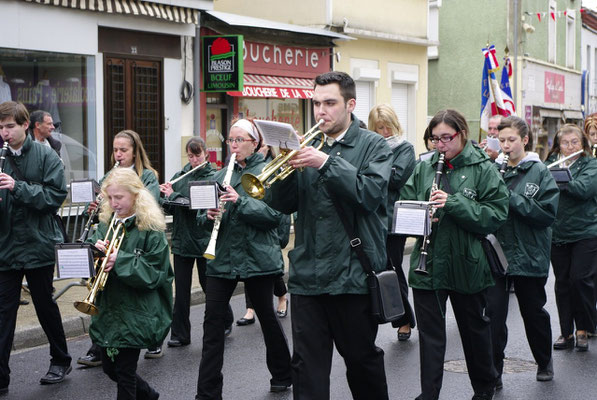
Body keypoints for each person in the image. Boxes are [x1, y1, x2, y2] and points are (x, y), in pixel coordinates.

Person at [265, 71, 392, 399]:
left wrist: (326, 163)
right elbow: (281, 205)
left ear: (350, 104)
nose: (321, 111)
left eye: (330, 103)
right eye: (316, 103)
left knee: (361, 362)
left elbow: (370, 195)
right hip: (308, 276)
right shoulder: (308, 145)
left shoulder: (374, 146)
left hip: (352, 276)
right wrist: (281, 166)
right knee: (306, 367)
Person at [400, 109, 509, 400]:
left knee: (475, 332)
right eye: (434, 139)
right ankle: (429, 394)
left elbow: (496, 215)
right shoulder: (424, 167)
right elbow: (407, 204)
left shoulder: (483, 168)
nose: (440, 145)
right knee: (431, 336)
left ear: (461, 134)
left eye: (446, 138)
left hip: (468, 262)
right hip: (429, 262)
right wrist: (422, 216)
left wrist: (454, 204)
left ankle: (485, 386)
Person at [195, 118, 291, 399]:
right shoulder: (219, 174)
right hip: (222, 256)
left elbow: (275, 216)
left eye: (239, 140)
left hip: (257, 256)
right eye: (230, 140)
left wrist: (241, 202)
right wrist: (208, 215)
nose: (234, 146)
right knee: (212, 324)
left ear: (255, 143)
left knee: (266, 317)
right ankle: (207, 392)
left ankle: (283, 374)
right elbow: (201, 218)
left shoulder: (268, 172)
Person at [0, 101, 72, 394]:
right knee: (4, 312)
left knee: (44, 305)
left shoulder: (45, 155)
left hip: (38, 243)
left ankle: (60, 358)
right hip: (6, 247)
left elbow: (55, 197)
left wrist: (17, 187)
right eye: (1, 127)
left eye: (10, 126)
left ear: (25, 125)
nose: (4, 133)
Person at [486, 116, 559, 390]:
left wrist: (511, 198)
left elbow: (546, 215)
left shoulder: (540, 172)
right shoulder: (494, 170)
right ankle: (494, 373)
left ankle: (544, 361)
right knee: (493, 315)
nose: (505, 146)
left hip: (530, 254)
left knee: (533, 312)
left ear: (525, 140)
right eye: (502, 140)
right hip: (497, 252)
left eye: (511, 140)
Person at [86, 167, 173, 400]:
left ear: (136, 195)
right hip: (109, 309)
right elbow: (92, 266)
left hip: (137, 310)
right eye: (110, 197)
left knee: (125, 373)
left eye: (119, 197)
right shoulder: (105, 225)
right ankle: (149, 395)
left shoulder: (151, 229)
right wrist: (95, 255)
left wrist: (120, 260)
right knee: (109, 368)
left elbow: (156, 273)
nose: (114, 203)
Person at [78, 129, 161, 367]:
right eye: (115, 149)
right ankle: (99, 346)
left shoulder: (147, 177)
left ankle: (150, 336)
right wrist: (94, 206)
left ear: (135, 151)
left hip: (135, 238)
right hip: (111, 235)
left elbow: (150, 206)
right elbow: (98, 211)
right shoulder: (110, 174)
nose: (118, 154)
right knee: (104, 290)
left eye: (123, 150)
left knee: (136, 290)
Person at [160, 137, 234, 347]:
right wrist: (164, 196)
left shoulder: (213, 176)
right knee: (181, 291)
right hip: (182, 240)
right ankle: (180, 334)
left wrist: (174, 195)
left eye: (198, 155)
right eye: (191, 156)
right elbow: (168, 206)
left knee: (209, 286)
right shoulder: (180, 176)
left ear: (206, 155)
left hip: (202, 240)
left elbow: (200, 204)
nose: (194, 160)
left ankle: (225, 320)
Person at [545, 124, 597, 352]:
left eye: (574, 142)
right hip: (558, 231)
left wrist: (559, 178)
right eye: (565, 143)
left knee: (580, 280)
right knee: (562, 283)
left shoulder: (591, 164)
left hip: (586, 231)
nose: (569, 147)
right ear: (558, 145)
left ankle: (583, 329)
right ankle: (566, 332)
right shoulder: (549, 163)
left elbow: (583, 190)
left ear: (583, 144)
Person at [368, 104, 416, 341]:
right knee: (372, 271)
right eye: (378, 128)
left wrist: (373, 167)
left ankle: (404, 318)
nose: (384, 132)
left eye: (387, 126)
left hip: (392, 221)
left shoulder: (405, 148)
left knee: (393, 270)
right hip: (370, 218)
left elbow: (395, 178)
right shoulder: (369, 147)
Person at [237, 143, 289, 326]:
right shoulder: (238, 166)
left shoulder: (272, 164)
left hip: (267, 231)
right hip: (247, 230)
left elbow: (280, 209)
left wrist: (282, 236)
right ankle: (250, 309)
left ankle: (282, 297)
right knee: (249, 271)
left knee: (273, 273)